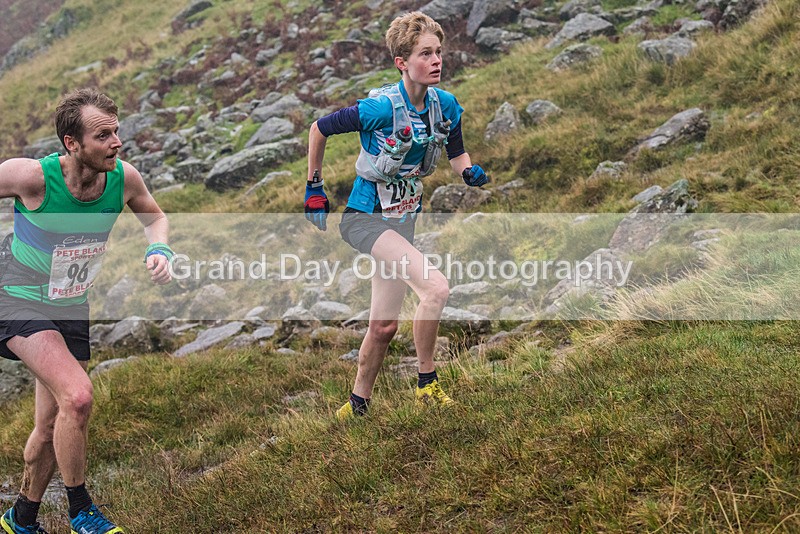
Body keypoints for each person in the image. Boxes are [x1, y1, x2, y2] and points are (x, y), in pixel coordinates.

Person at [0, 88, 173, 534]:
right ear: (71, 143)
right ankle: (81, 512)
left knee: (53, 420)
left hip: (71, 301)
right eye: (104, 135)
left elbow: (155, 217)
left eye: (117, 131)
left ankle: (20, 519)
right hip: (18, 295)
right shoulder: (32, 177)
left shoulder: (123, 178)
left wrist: (159, 248)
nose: (117, 142)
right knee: (77, 397)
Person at [304, 11, 489, 420]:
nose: (437, 60)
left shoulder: (446, 105)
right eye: (426, 53)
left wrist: (468, 172)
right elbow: (319, 129)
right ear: (402, 63)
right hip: (364, 219)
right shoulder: (378, 108)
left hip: (403, 222)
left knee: (384, 327)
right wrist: (314, 186)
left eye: (439, 52)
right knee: (436, 289)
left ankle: (356, 407)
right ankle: (428, 386)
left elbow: (456, 150)